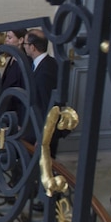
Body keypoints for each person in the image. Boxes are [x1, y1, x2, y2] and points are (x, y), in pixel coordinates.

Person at [24, 28, 63, 156]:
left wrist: (41, 136)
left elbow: (48, 105)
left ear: (32, 47)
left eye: (25, 44)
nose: (24, 47)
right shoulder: (45, 63)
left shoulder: (45, 71)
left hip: (40, 131)